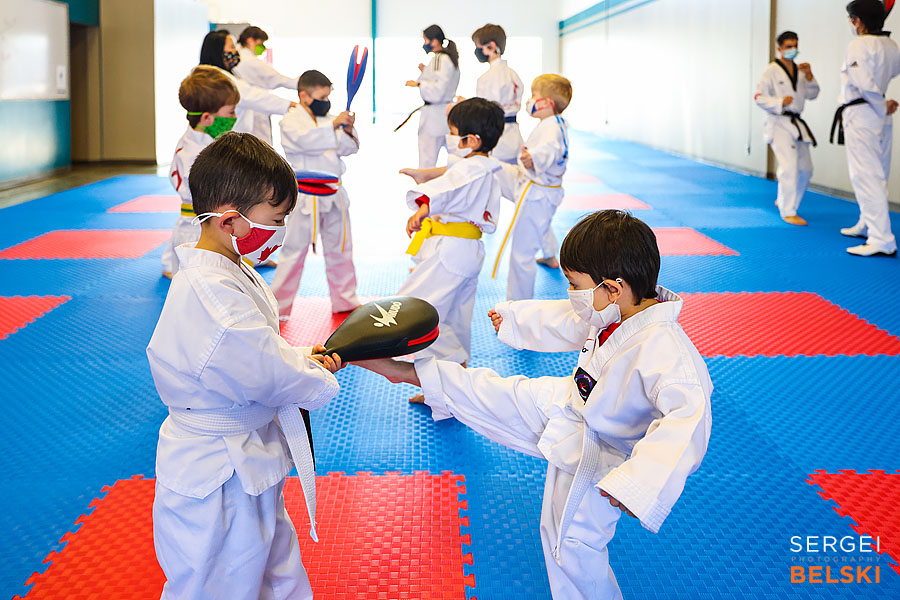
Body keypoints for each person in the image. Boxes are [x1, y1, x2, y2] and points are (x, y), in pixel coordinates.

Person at [359, 210, 712, 600]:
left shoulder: (668, 353)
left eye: (573, 285)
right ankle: (406, 373)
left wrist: (639, 484)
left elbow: (688, 422)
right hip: (571, 404)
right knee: (493, 391)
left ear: (614, 287)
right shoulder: (616, 309)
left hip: (605, 454)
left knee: (570, 544)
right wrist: (516, 317)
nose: (569, 294)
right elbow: (571, 317)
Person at [147, 132, 345, 599]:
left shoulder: (229, 266)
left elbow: (258, 356)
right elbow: (265, 370)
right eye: (276, 220)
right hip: (217, 473)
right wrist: (312, 373)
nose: (282, 231)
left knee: (277, 577)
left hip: (245, 457)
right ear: (232, 221)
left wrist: (300, 359)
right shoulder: (211, 294)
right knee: (219, 585)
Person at [396, 97, 505, 368]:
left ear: (473, 140)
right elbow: (454, 174)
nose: (450, 138)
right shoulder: (484, 166)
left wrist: (423, 208)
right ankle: (450, 386)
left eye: (454, 133)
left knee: (417, 312)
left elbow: (448, 187)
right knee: (456, 318)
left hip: (450, 252)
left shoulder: (472, 169)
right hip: (468, 250)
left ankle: (452, 362)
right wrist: (426, 175)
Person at [271, 70, 362, 320]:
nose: (326, 101)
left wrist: (348, 129)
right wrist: (334, 125)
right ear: (304, 96)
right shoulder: (289, 121)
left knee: (341, 248)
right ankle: (278, 307)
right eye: (322, 96)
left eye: (328, 96)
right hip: (305, 196)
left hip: (334, 193)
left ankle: (345, 299)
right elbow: (304, 142)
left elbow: (349, 149)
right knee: (292, 252)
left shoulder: (331, 119)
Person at [494, 74, 572, 302]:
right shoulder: (555, 122)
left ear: (547, 103)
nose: (530, 101)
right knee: (491, 168)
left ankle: (516, 311)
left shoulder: (551, 129)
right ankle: (549, 254)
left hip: (537, 192)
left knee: (522, 254)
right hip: (536, 185)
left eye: (534, 96)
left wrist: (534, 158)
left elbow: (550, 150)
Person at [832, 0, 900, 257]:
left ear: (858, 20)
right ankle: (867, 223)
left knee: (866, 175)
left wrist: (881, 104)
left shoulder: (858, 45)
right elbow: (888, 74)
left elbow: (863, 83)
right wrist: (883, 104)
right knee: (877, 173)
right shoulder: (891, 45)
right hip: (879, 114)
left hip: (864, 114)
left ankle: (881, 239)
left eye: (851, 18)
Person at [161, 66, 239, 279]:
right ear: (207, 118)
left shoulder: (194, 139)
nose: (235, 117)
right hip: (197, 230)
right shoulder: (195, 155)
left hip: (194, 223)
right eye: (230, 112)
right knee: (199, 284)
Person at [755, 31, 820, 226]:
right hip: (778, 122)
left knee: (807, 169)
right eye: (789, 46)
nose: (793, 49)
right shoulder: (771, 71)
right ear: (780, 48)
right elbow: (759, 97)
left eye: (795, 45)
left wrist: (809, 76)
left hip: (797, 123)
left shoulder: (800, 72)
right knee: (789, 166)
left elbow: (812, 94)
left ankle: (784, 198)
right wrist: (779, 102)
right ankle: (788, 210)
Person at [199, 30, 296, 140]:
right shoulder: (217, 78)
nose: (236, 51)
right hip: (227, 138)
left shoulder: (223, 74)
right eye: (232, 47)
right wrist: (290, 105)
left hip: (232, 135)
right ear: (217, 51)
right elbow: (249, 95)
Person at [233, 25, 300, 145]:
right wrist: (306, 84)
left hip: (244, 112)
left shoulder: (237, 58)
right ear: (250, 40)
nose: (262, 47)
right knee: (259, 148)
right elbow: (277, 79)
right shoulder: (251, 61)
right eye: (261, 43)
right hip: (256, 111)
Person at [406, 25, 460, 168]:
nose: (424, 44)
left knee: (426, 162)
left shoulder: (439, 59)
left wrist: (419, 84)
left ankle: (425, 189)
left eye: (425, 40)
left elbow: (437, 90)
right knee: (455, 159)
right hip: (446, 114)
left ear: (434, 41)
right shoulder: (450, 59)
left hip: (434, 116)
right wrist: (426, 72)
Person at [471, 24, 525, 164]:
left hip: (497, 139)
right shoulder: (513, 74)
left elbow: (488, 110)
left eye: (478, 47)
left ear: (491, 46)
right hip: (515, 136)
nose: (477, 51)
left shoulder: (487, 78)